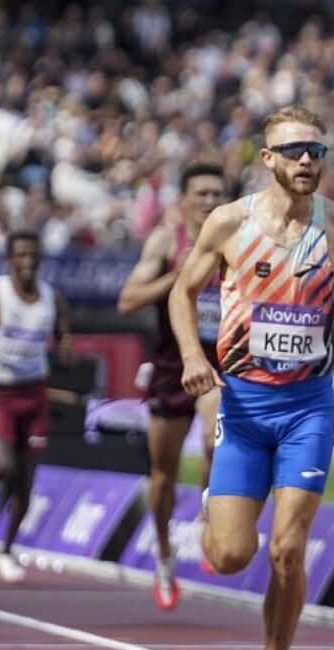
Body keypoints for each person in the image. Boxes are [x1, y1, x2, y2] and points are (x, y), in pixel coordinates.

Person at [168, 105, 334, 650]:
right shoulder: (229, 223)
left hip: (307, 408)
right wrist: (193, 355)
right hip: (244, 407)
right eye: (294, 150)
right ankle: (213, 509)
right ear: (267, 158)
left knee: (287, 550)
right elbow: (181, 292)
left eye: (315, 151)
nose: (306, 160)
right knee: (230, 556)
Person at [118, 164, 228, 611]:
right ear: (183, 201)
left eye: (217, 194)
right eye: (201, 193)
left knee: (214, 440)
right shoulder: (166, 241)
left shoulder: (236, 241)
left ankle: (207, 521)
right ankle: (164, 556)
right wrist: (174, 278)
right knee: (162, 476)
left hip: (217, 365)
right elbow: (127, 301)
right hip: (170, 367)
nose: (210, 201)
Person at [0, 231, 71, 583]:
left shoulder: (52, 298)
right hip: (0, 392)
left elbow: (64, 347)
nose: (27, 261)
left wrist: (65, 352)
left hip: (34, 395)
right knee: (4, 466)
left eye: (32, 254)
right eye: (20, 255)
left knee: (26, 483)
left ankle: (5, 550)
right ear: (10, 259)